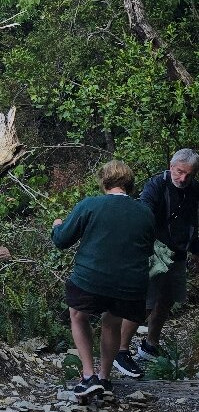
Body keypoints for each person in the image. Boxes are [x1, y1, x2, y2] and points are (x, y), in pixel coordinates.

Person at [52, 160, 156, 399]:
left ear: (103, 182)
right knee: (112, 321)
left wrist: (57, 225)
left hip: (91, 279)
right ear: (129, 185)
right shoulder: (145, 212)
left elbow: (61, 240)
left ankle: (89, 376)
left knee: (78, 315)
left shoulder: (90, 205)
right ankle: (106, 378)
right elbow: (147, 249)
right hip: (130, 286)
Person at [114, 148, 199, 378]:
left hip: (178, 253)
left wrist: (195, 250)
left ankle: (150, 346)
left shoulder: (194, 190)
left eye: (189, 175)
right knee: (145, 303)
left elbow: (194, 222)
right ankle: (120, 352)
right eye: (180, 172)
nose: (183, 178)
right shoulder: (156, 185)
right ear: (172, 166)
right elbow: (143, 215)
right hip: (153, 252)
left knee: (166, 300)